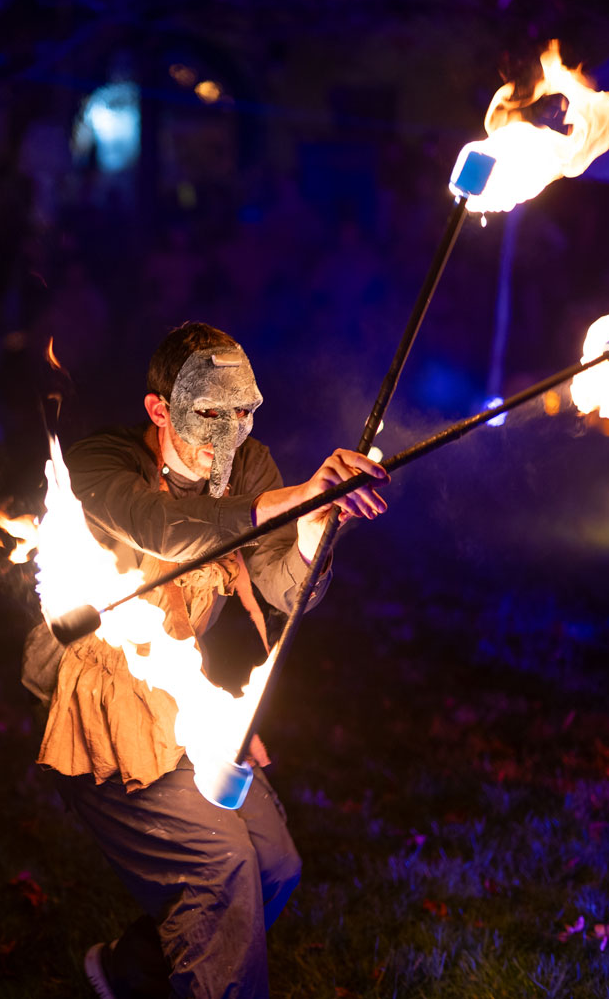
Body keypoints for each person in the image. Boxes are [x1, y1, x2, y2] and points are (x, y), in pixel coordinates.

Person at [24, 322, 388, 999]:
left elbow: (287, 589)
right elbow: (161, 526)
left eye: (244, 411)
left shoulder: (249, 469)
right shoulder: (98, 465)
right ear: (160, 409)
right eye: (210, 414)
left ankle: (133, 971)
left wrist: (311, 530)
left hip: (183, 696)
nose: (231, 432)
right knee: (220, 869)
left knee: (274, 867)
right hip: (97, 700)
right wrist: (289, 501)